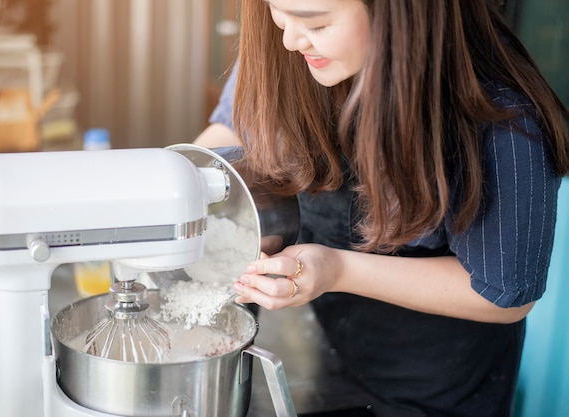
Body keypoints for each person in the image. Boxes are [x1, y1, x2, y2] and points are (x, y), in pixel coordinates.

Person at [194, 1, 569, 416]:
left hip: (428, 388)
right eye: (278, 13)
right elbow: (234, 125)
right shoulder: (293, 45)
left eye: (315, 22)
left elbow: (503, 294)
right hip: (316, 346)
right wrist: (185, 184)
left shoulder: (501, 117)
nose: (290, 39)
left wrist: (337, 270)